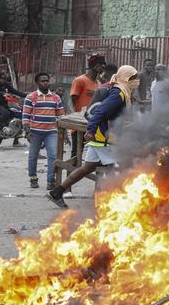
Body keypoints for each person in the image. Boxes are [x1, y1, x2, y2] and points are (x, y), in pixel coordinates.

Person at [48, 66, 138, 208]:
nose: (137, 81)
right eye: (134, 78)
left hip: (99, 139)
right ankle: (108, 202)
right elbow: (101, 111)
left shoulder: (123, 92)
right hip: (105, 139)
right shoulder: (119, 93)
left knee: (87, 168)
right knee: (118, 168)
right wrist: (91, 129)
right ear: (126, 78)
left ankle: (57, 192)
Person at [22, 73, 64, 190]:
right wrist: (27, 130)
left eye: (47, 81)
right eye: (43, 81)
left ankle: (50, 181)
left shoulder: (56, 98)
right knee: (33, 156)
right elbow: (26, 115)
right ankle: (33, 178)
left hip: (51, 132)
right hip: (35, 132)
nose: (46, 83)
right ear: (37, 83)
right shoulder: (31, 97)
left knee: (52, 156)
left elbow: (61, 116)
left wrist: (64, 133)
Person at [70, 53, 105, 156]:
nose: (103, 67)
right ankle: (73, 171)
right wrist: (75, 117)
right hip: (80, 122)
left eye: (104, 64)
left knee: (93, 153)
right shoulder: (80, 80)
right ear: (94, 66)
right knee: (77, 152)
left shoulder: (99, 83)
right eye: (101, 64)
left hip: (93, 123)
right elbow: (73, 99)